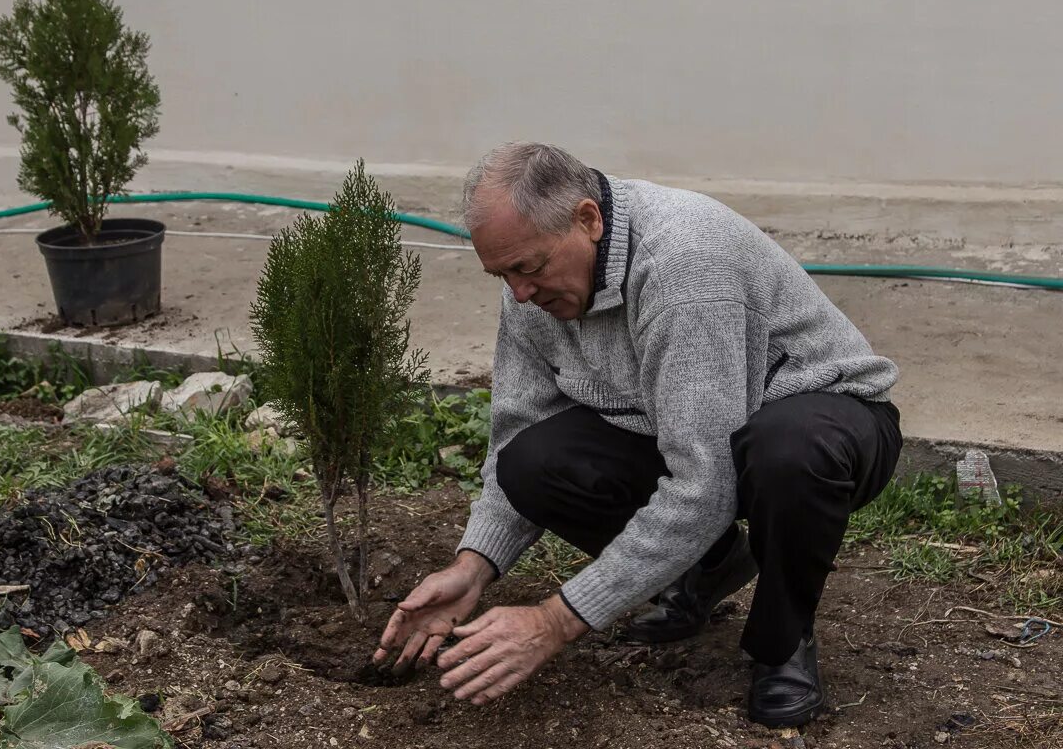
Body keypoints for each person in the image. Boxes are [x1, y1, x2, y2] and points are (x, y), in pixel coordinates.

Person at [372, 142, 902, 727]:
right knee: (532, 460)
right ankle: (709, 566)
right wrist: (473, 565)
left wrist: (557, 619)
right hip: (680, 427)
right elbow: (518, 426)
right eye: (502, 275)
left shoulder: (684, 265)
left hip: (820, 415)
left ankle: (783, 641)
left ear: (588, 220)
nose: (519, 293)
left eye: (528, 269)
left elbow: (706, 482)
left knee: (787, 454)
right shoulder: (530, 275)